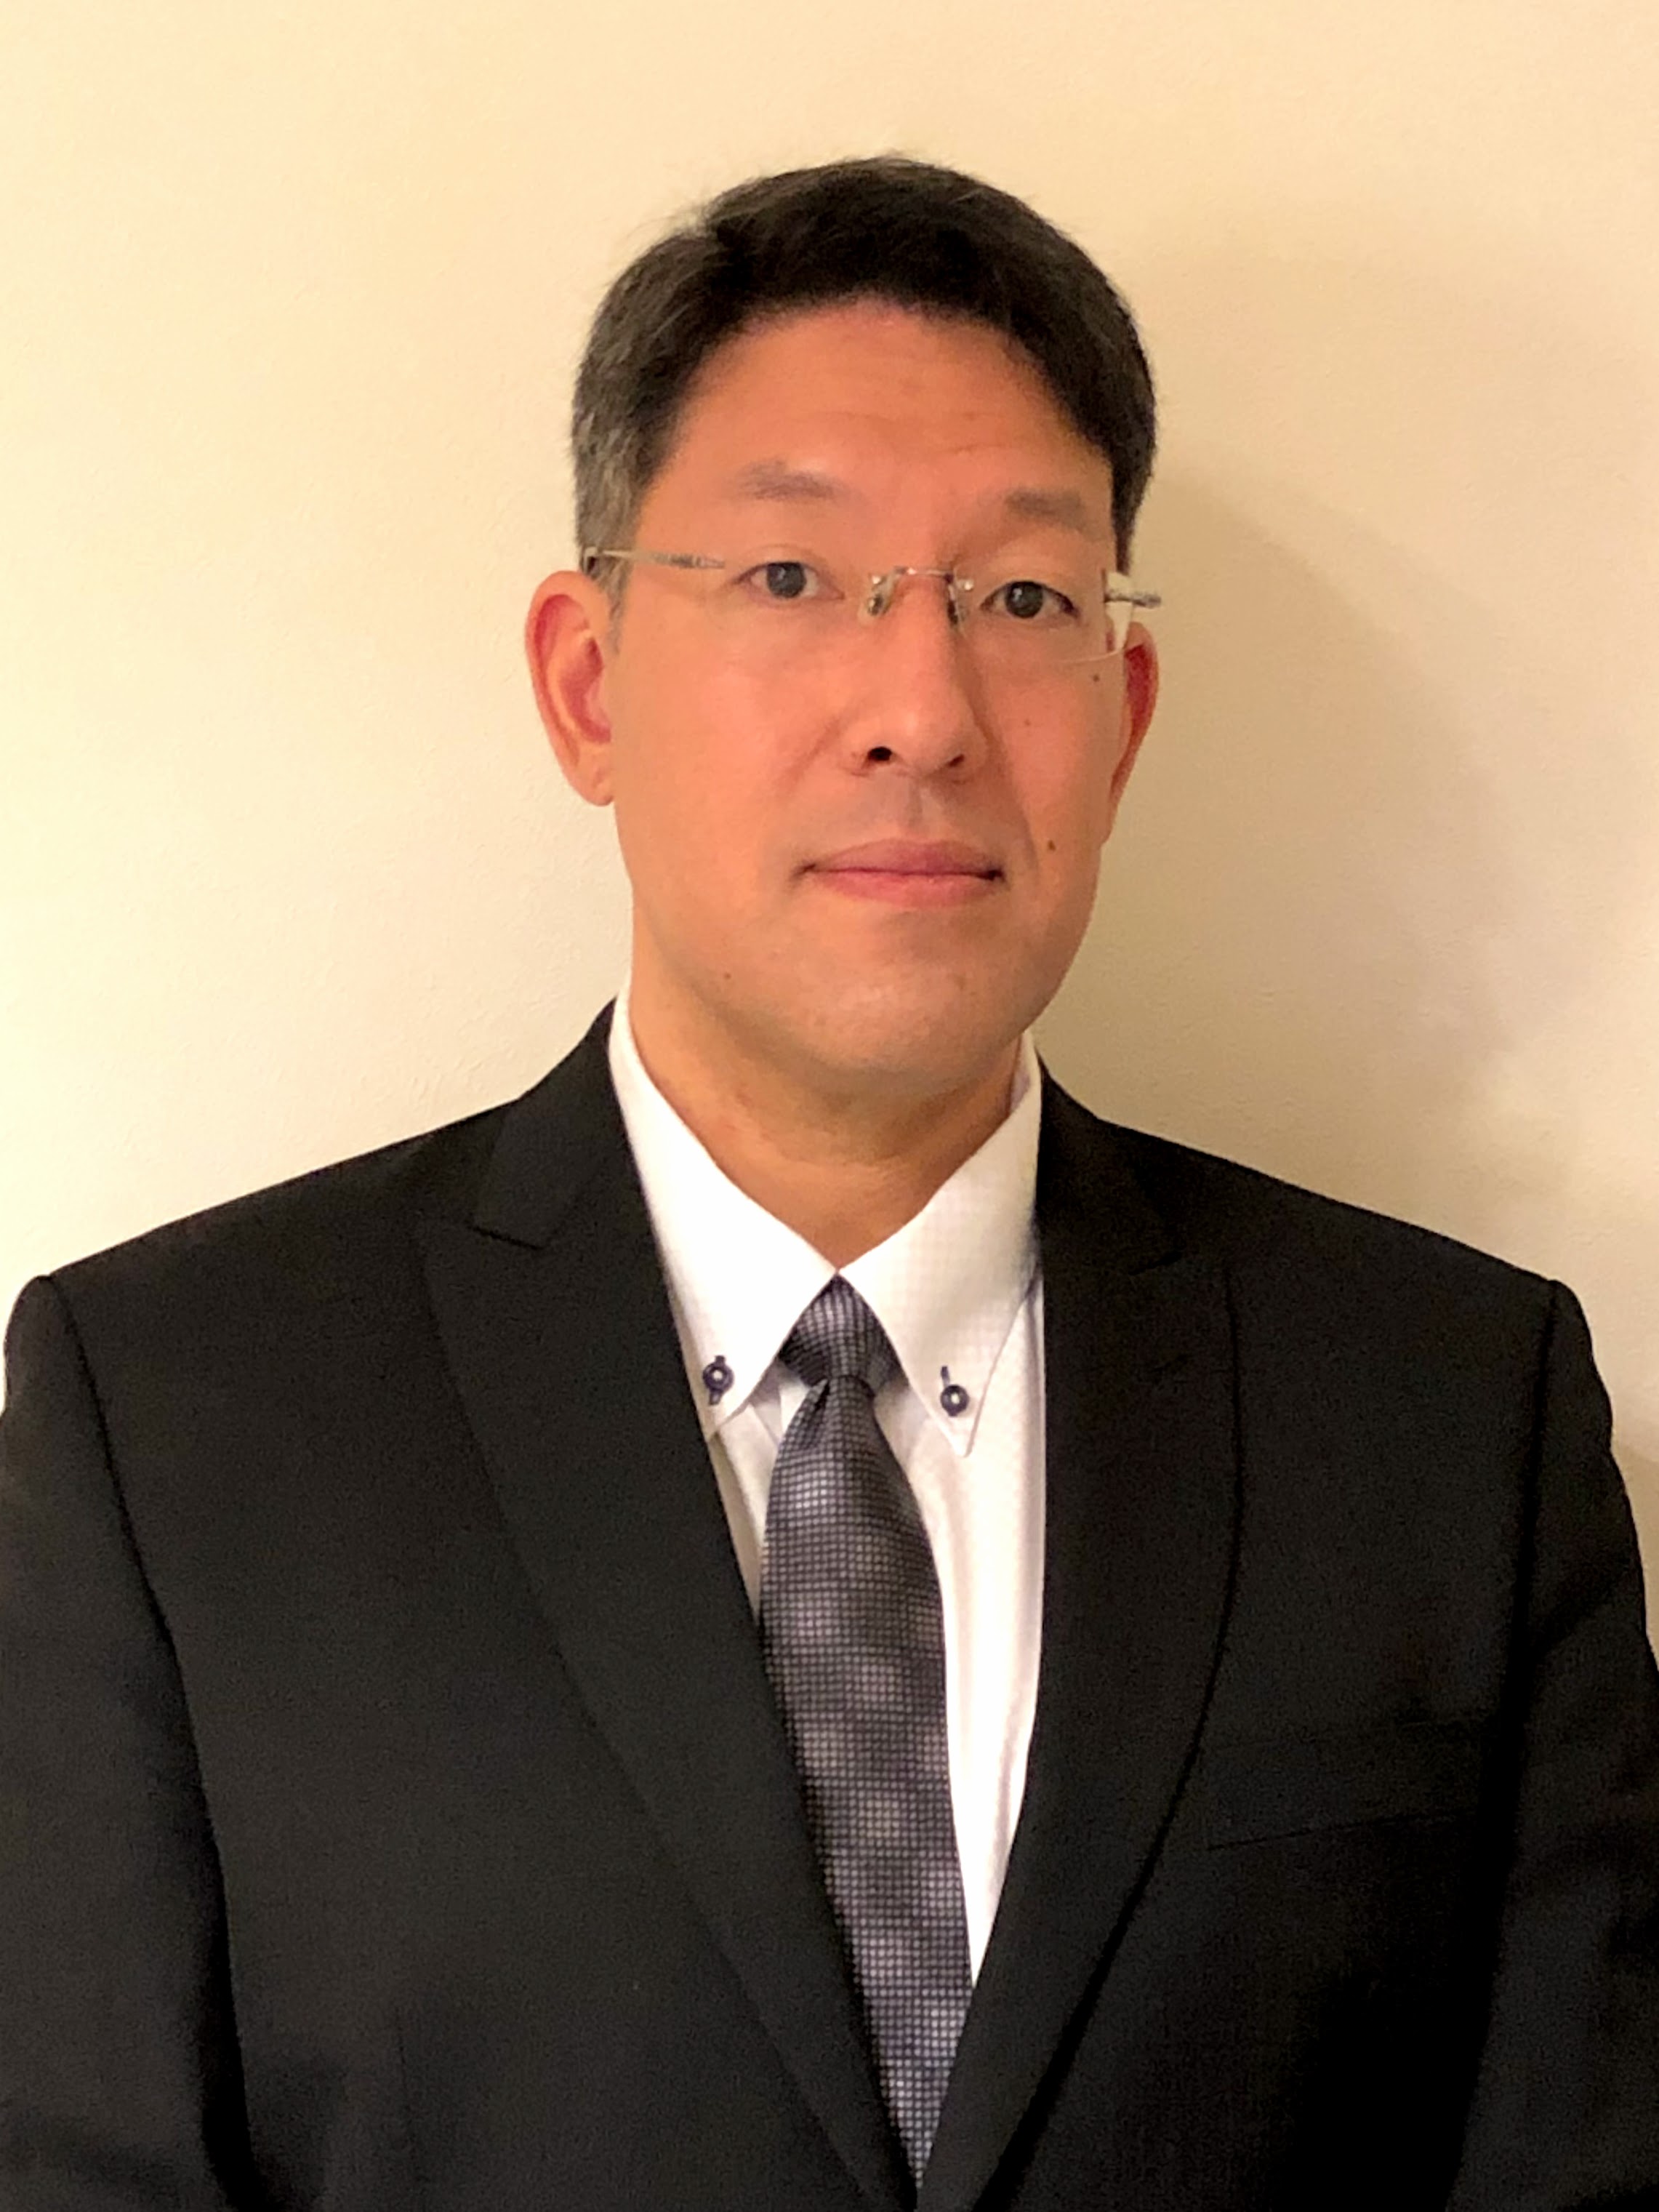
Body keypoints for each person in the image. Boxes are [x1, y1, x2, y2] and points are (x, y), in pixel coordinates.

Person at [2, 156, 1656, 2212]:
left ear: (1122, 712)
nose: (922, 713)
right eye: (792, 576)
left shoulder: (1451, 1414)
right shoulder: (173, 1417)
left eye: (1022, 599)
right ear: (587, 683)